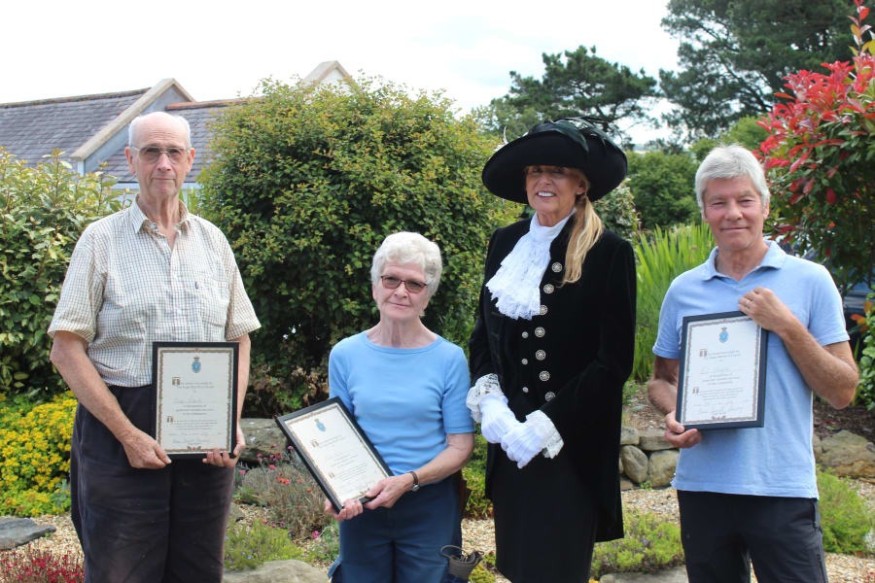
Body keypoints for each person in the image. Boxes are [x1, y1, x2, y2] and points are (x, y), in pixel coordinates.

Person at [48, 111, 260, 583]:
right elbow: (66, 349)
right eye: (151, 152)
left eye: (173, 153)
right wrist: (128, 434)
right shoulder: (100, 241)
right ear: (130, 160)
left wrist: (229, 420)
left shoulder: (213, 241)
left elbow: (238, 336)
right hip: (121, 426)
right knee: (121, 572)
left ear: (190, 160)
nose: (163, 163)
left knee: (198, 570)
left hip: (205, 434)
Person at [647, 145, 859, 583]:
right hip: (703, 487)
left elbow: (842, 391)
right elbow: (661, 379)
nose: (733, 214)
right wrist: (674, 412)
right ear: (704, 211)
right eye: (718, 202)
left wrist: (787, 326)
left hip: (781, 486)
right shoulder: (684, 290)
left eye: (744, 200)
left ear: (765, 205)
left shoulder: (810, 280)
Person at [467, 119, 637, 582]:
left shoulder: (609, 252)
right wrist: (492, 402)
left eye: (558, 171)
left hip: (569, 447)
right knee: (517, 568)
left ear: (581, 184)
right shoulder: (505, 242)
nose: (544, 180)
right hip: (510, 444)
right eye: (535, 171)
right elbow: (483, 335)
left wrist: (545, 424)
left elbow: (613, 362)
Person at [325, 231, 475, 583]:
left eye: (415, 284)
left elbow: (460, 446)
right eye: (391, 279)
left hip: (428, 504)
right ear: (375, 287)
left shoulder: (449, 359)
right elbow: (336, 438)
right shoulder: (345, 355)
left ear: (428, 296)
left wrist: (409, 481)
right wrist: (334, 489)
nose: (401, 291)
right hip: (363, 504)